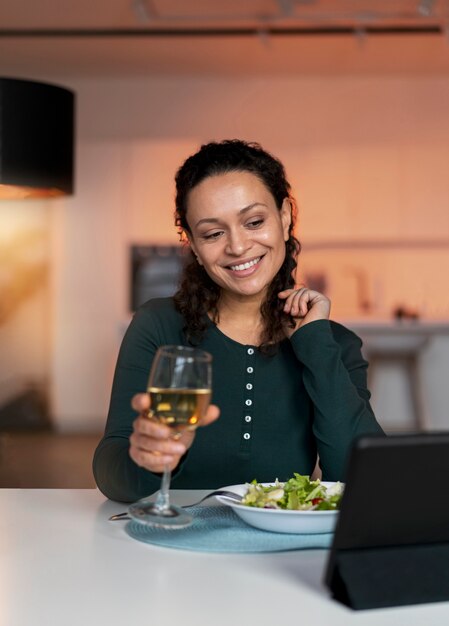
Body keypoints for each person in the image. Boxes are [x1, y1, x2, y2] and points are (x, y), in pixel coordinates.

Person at [93, 139, 384, 503]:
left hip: (280, 551)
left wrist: (316, 346)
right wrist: (147, 459)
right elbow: (112, 475)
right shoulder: (158, 325)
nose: (237, 246)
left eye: (254, 221)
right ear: (195, 246)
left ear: (285, 216)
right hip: (170, 547)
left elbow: (364, 481)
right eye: (213, 233)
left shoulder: (334, 344)